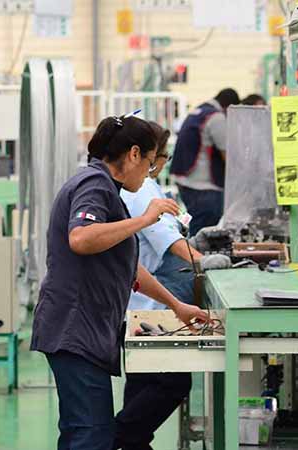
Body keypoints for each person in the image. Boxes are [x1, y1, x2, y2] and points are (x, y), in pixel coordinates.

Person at [30, 115, 209, 450]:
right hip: (75, 329)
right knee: (90, 435)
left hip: (84, 330)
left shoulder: (108, 190)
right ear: (134, 154)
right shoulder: (94, 184)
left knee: (84, 432)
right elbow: (81, 238)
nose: (149, 174)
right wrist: (145, 219)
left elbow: (129, 268)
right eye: (150, 164)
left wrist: (176, 306)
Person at [114, 122, 231, 450]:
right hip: (146, 303)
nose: (163, 162)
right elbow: (161, 236)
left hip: (142, 300)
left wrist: (194, 243)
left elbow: (169, 230)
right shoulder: (141, 189)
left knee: (142, 381)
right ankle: (114, 439)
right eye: (161, 156)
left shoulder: (146, 185)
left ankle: (131, 443)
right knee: (171, 382)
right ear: (148, 155)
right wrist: (199, 260)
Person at [170, 88, 240, 236]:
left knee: (196, 227)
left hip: (186, 181)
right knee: (205, 234)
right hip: (204, 186)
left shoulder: (199, 111)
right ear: (229, 107)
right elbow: (229, 156)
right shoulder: (216, 118)